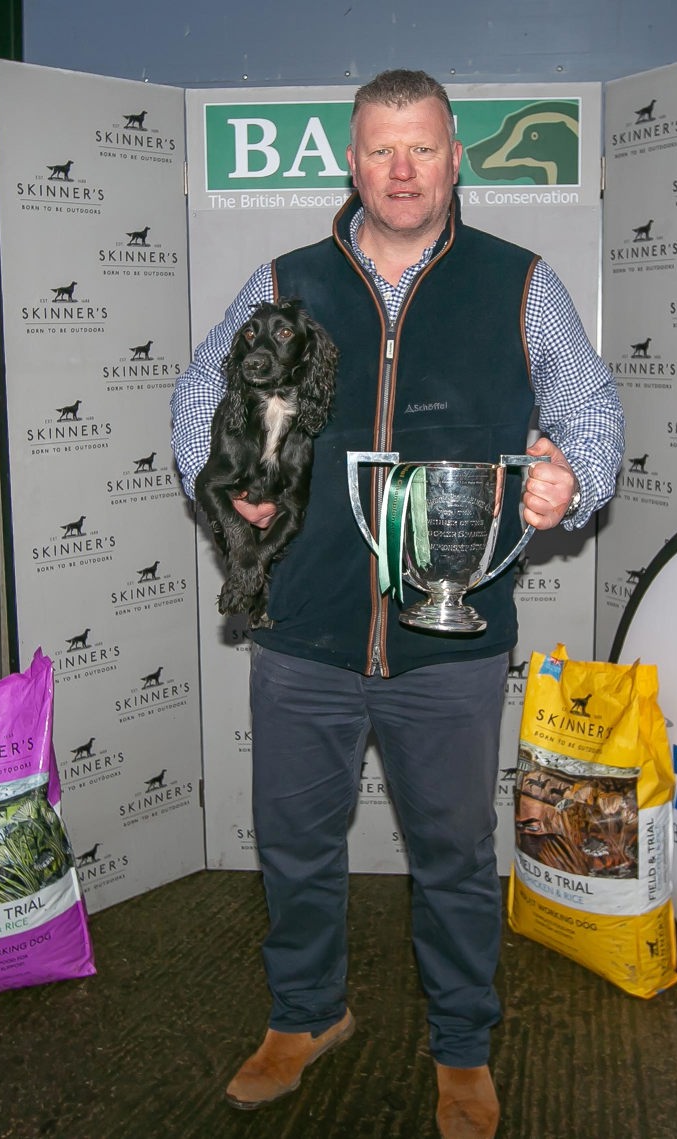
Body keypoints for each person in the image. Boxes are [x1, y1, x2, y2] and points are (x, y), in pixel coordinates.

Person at [171, 69, 624, 1139]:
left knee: (458, 857)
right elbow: (201, 390)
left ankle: (462, 1047)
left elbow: (587, 406)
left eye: (422, 147)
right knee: (293, 840)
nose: (403, 169)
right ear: (352, 159)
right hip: (303, 627)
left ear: (455, 156)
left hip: (449, 642)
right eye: (381, 149)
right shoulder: (284, 278)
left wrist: (574, 479)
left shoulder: (518, 283)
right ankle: (304, 1016)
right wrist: (223, 481)